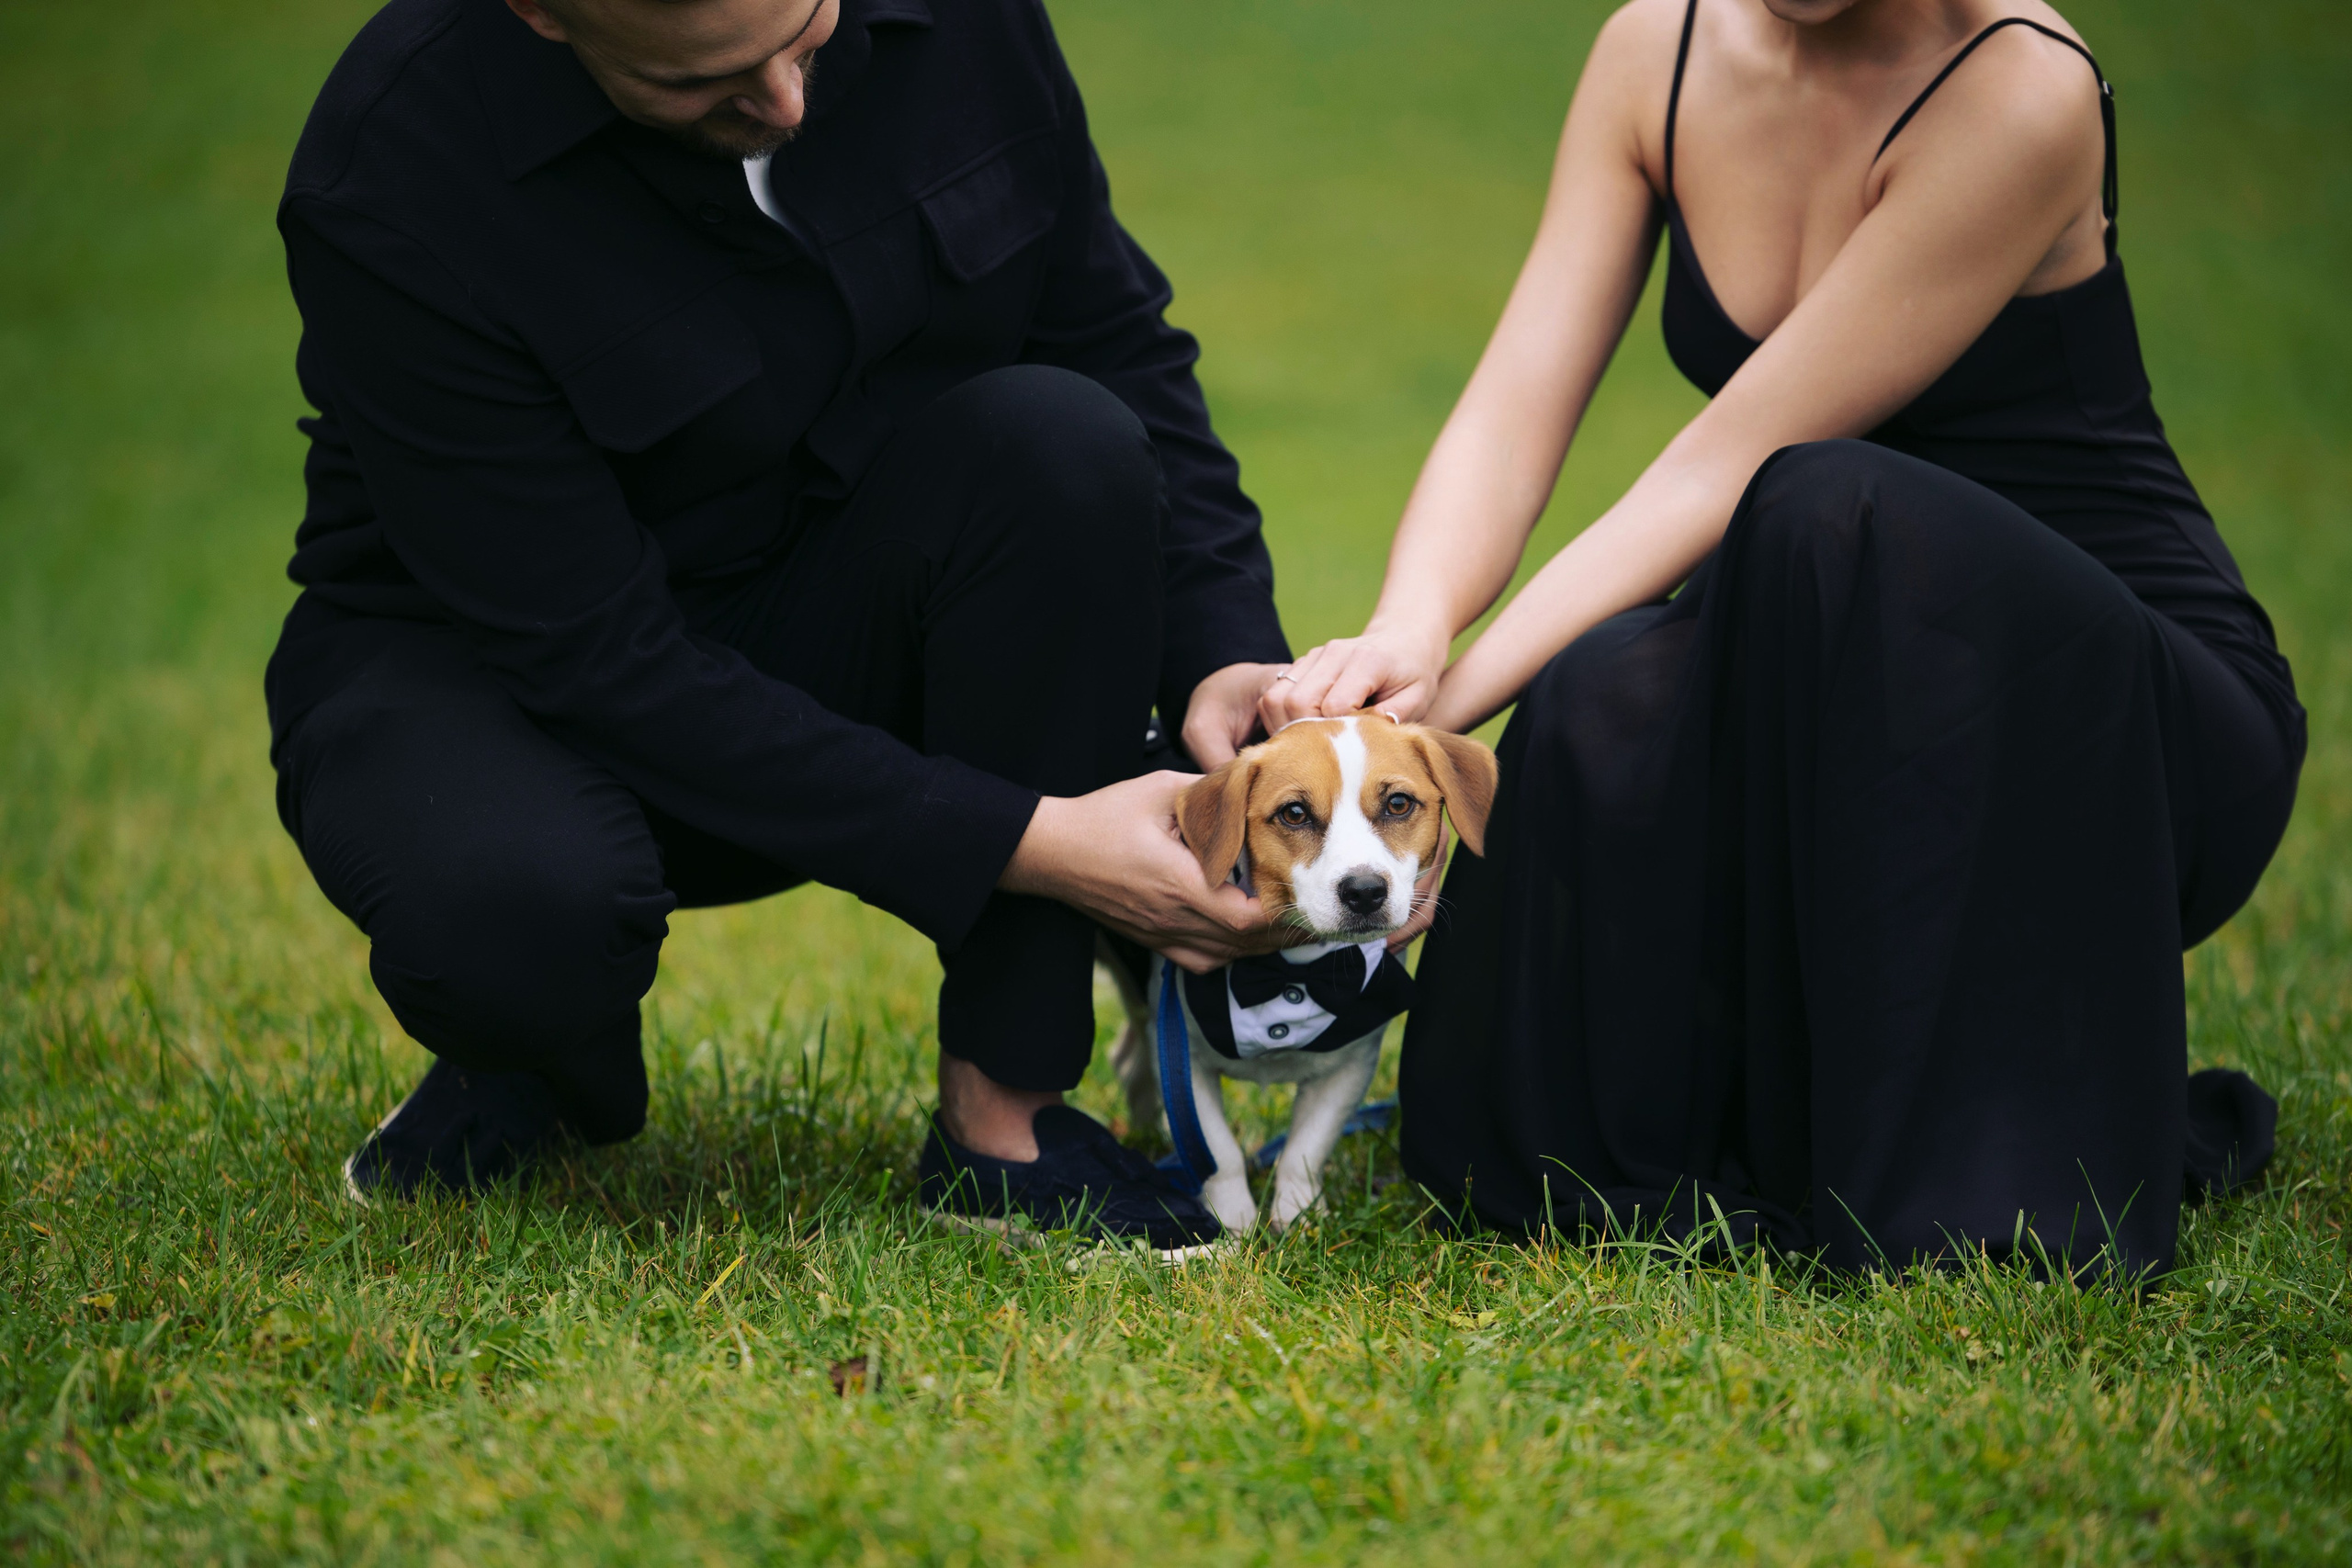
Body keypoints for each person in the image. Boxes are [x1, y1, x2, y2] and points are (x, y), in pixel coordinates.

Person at [1260, 0, 2301, 1276]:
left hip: (2120, 713)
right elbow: (1516, 400)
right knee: (1597, 690)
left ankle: (1952, 1161)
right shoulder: (1656, 51)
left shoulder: (2023, 89)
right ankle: (1633, 1145)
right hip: (1832, 664)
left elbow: (1726, 466)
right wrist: (1409, 632)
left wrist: (1418, 739)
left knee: (1820, 497)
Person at [267, 0, 1308, 1247]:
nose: (787, 104)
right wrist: (1033, 840)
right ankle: (535, 1047)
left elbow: (1109, 338)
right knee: (514, 910)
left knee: (1062, 444)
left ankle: (1007, 1119)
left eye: (808, 34)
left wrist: (1223, 645)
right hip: (498, 673)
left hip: (834, 617)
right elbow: (596, 657)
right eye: (702, 84)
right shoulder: (394, 168)